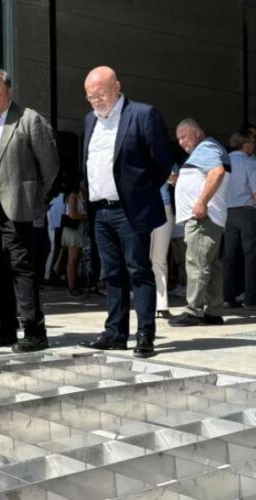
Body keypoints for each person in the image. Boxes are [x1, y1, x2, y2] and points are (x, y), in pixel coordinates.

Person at [77, 66, 172, 357]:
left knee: (139, 271)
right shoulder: (89, 121)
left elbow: (163, 162)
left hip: (130, 211)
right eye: (90, 97)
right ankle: (115, 332)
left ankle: (145, 334)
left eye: (101, 94)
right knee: (112, 274)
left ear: (117, 87)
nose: (96, 101)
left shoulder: (143, 115)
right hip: (100, 211)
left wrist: (139, 194)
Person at [0, 69, 59, 352]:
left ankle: (34, 330)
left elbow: (50, 166)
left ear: (9, 94)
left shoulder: (29, 120)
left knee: (22, 267)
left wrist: (32, 196)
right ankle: (6, 328)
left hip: (17, 207)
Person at [169, 119, 230, 327]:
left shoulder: (206, 147)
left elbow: (217, 172)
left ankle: (193, 311)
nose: (181, 142)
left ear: (196, 133)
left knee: (197, 264)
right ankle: (213, 311)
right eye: (178, 139)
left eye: (184, 136)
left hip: (203, 217)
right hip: (206, 217)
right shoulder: (204, 150)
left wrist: (202, 202)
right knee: (210, 265)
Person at [222, 132, 256, 308]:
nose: (254, 146)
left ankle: (228, 296)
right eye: (252, 143)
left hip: (227, 213)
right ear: (245, 145)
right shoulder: (250, 163)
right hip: (247, 212)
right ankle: (251, 297)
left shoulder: (223, 163)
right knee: (252, 255)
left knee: (229, 256)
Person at [150, 168, 177, 318]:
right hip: (141, 207)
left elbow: (175, 179)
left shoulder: (165, 157)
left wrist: (171, 177)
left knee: (159, 259)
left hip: (163, 206)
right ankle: (148, 303)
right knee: (143, 259)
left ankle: (161, 304)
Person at [59, 187, 89, 297]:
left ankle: (76, 285)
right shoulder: (73, 194)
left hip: (80, 229)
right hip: (73, 229)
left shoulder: (83, 193)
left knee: (77, 260)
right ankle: (72, 287)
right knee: (73, 259)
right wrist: (87, 216)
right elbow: (72, 214)